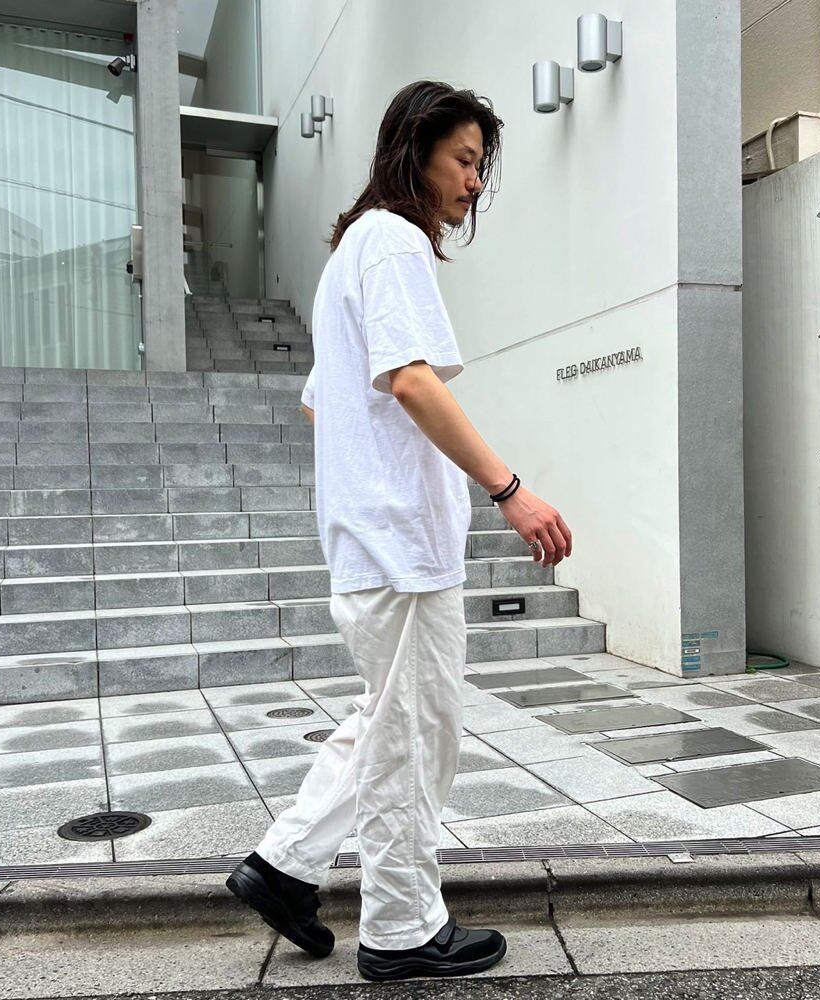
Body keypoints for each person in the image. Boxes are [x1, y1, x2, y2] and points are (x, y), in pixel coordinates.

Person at [226, 79, 573, 983]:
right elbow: (413, 381)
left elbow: (321, 404)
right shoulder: (393, 239)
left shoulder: (352, 252)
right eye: (464, 160)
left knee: (389, 720)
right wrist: (509, 490)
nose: (473, 183)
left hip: (373, 539)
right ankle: (402, 929)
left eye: (480, 166)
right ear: (415, 151)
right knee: (417, 738)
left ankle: (282, 868)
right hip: (400, 546)